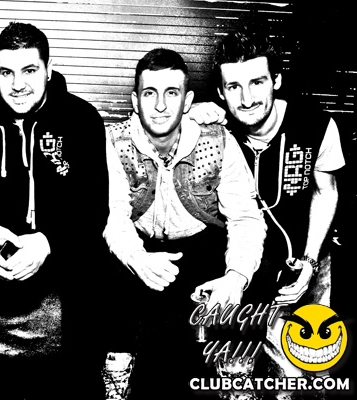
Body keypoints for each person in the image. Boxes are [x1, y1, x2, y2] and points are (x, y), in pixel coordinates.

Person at [0, 22, 110, 400]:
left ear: (49, 69)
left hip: (66, 293)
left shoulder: (82, 119)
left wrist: (48, 242)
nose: (17, 84)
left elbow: (93, 209)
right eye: (6, 72)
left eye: (30, 70)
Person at [189, 27, 345, 399]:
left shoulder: (316, 125)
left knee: (303, 376)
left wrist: (310, 261)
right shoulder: (211, 132)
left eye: (257, 82)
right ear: (220, 92)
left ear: (276, 80)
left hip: (305, 258)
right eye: (233, 87)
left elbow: (325, 192)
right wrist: (185, 116)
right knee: (235, 379)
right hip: (242, 267)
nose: (246, 99)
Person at [103, 48, 267, 398]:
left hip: (200, 246)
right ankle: (118, 365)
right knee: (106, 264)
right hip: (141, 246)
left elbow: (245, 218)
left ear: (188, 100)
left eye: (172, 93)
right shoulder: (115, 142)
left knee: (242, 272)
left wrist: (236, 277)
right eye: (150, 93)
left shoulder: (218, 141)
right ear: (135, 101)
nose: (161, 106)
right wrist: (136, 258)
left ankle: (234, 371)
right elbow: (114, 215)